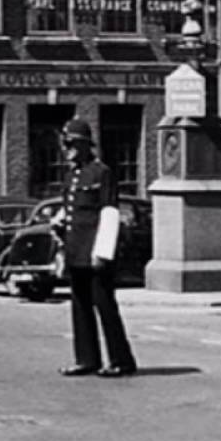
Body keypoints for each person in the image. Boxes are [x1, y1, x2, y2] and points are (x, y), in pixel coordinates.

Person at [55, 118, 137, 379]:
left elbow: (109, 212)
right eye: (65, 144)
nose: (66, 149)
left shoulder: (101, 173)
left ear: (84, 145)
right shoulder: (71, 175)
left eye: (70, 144)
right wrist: (58, 222)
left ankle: (121, 360)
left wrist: (102, 252)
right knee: (80, 305)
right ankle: (87, 358)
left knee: (104, 305)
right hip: (76, 250)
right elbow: (72, 208)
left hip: (94, 252)